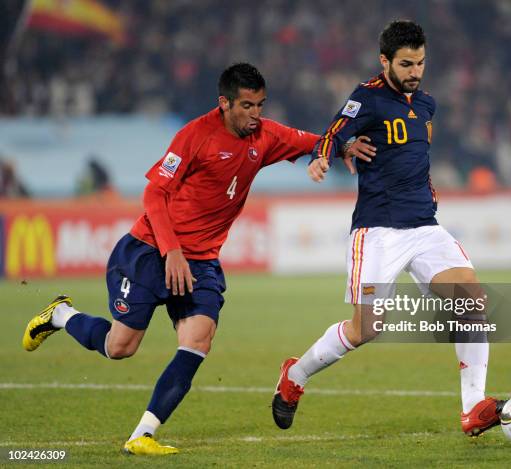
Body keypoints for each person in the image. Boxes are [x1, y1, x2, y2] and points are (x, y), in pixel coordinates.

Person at [22, 62, 374, 455]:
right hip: (151, 251)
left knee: (197, 341)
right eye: (247, 106)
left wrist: (342, 146)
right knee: (120, 347)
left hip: (202, 262)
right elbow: (155, 195)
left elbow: (311, 140)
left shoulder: (266, 134)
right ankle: (60, 315)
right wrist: (171, 250)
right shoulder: (194, 136)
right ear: (224, 103)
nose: (255, 115)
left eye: (260, 105)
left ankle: (143, 434)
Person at [271, 20, 504, 437]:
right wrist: (325, 156)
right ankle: (296, 375)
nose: (415, 71)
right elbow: (333, 133)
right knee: (366, 330)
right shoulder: (368, 98)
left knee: (472, 303)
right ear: (385, 61)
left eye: (421, 63)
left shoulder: (427, 105)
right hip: (378, 231)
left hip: (425, 228)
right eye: (406, 63)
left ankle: (474, 408)